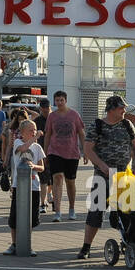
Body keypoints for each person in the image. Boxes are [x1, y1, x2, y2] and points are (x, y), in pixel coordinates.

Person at [77, 96, 135, 260]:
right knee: (96, 212)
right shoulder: (97, 125)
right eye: (121, 108)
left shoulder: (127, 125)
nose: (124, 111)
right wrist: (102, 165)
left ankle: (129, 244)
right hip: (103, 176)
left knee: (128, 211)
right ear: (111, 109)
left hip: (124, 175)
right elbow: (88, 149)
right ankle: (86, 247)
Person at [3, 118, 45, 256]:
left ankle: (26, 243)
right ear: (22, 132)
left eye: (35, 129)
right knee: (15, 217)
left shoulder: (37, 147)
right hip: (18, 185)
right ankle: (14, 244)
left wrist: (34, 166)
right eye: (30, 130)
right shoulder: (17, 142)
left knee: (31, 218)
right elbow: (22, 149)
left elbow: (42, 167)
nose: (34, 132)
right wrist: (36, 137)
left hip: (33, 186)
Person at [44, 91, 85, 221]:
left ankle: (72, 209)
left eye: (61, 100)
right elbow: (48, 134)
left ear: (65, 100)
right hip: (55, 151)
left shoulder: (74, 115)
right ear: (54, 101)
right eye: (57, 100)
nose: (59, 102)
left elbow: (81, 133)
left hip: (72, 152)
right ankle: (58, 211)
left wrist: (85, 151)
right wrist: (44, 153)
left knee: (70, 182)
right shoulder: (52, 116)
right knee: (57, 178)